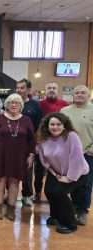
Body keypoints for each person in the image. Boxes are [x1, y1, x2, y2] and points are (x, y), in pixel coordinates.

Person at [37, 112, 89, 234]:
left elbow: (77, 159)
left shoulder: (71, 136)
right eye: (52, 124)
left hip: (78, 172)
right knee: (49, 191)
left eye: (58, 124)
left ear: (64, 125)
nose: (55, 127)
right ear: (47, 126)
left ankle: (70, 223)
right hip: (56, 171)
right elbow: (44, 159)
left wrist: (69, 178)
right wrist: (55, 175)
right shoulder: (44, 138)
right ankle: (56, 216)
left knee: (59, 193)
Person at [0, 94, 35, 221]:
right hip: (0, 154)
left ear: (21, 105)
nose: (13, 105)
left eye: (17, 103)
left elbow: (31, 139)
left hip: (19, 156)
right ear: (7, 105)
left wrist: (31, 155)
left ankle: (10, 209)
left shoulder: (26, 120)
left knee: (15, 181)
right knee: (0, 180)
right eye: (11, 103)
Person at [61, 84, 93, 226]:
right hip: (69, 154)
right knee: (72, 180)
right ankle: (73, 205)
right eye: (77, 92)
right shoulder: (65, 110)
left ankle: (82, 211)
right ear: (72, 95)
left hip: (88, 153)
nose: (79, 95)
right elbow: (60, 129)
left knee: (85, 183)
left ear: (89, 95)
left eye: (83, 92)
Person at [32, 82, 69, 204]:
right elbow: (36, 123)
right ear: (45, 90)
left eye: (54, 88)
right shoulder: (39, 104)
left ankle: (59, 194)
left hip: (59, 143)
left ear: (57, 90)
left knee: (58, 169)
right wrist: (37, 142)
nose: (51, 90)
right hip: (43, 140)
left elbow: (67, 125)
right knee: (39, 170)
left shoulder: (65, 105)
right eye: (49, 88)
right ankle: (37, 192)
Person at [16, 79, 42, 207]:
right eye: (17, 87)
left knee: (27, 169)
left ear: (28, 90)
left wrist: (36, 144)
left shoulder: (35, 105)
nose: (19, 90)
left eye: (22, 88)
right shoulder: (12, 103)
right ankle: (11, 194)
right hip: (12, 142)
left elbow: (39, 126)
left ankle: (26, 195)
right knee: (11, 169)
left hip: (28, 143)